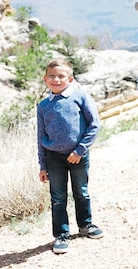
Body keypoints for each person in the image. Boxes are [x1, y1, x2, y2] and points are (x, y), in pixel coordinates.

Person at [37, 59, 103, 254]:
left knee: (81, 192)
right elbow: (41, 136)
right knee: (58, 197)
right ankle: (61, 234)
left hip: (78, 155)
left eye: (61, 76)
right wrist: (42, 165)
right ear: (45, 79)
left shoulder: (80, 97)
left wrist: (80, 150)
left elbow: (94, 125)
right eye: (51, 76)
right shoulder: (43, 105)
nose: (56, 79)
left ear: (70, 79)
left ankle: (86, 225)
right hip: (54, 157)